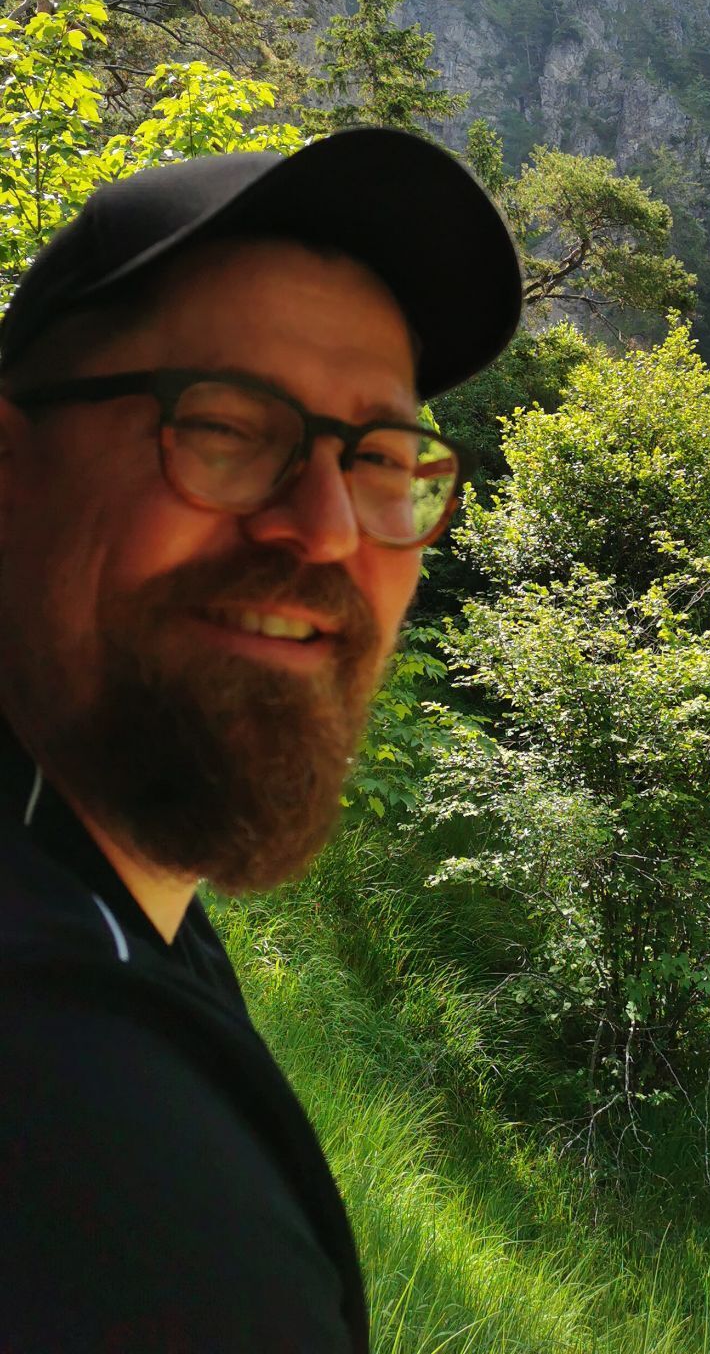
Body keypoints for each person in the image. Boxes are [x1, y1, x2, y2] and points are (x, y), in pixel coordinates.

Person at [0, 125, 522, 1353]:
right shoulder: (102, 1174)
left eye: (380, 457)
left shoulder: (102, 867)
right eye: (228, 425)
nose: (330, 526)